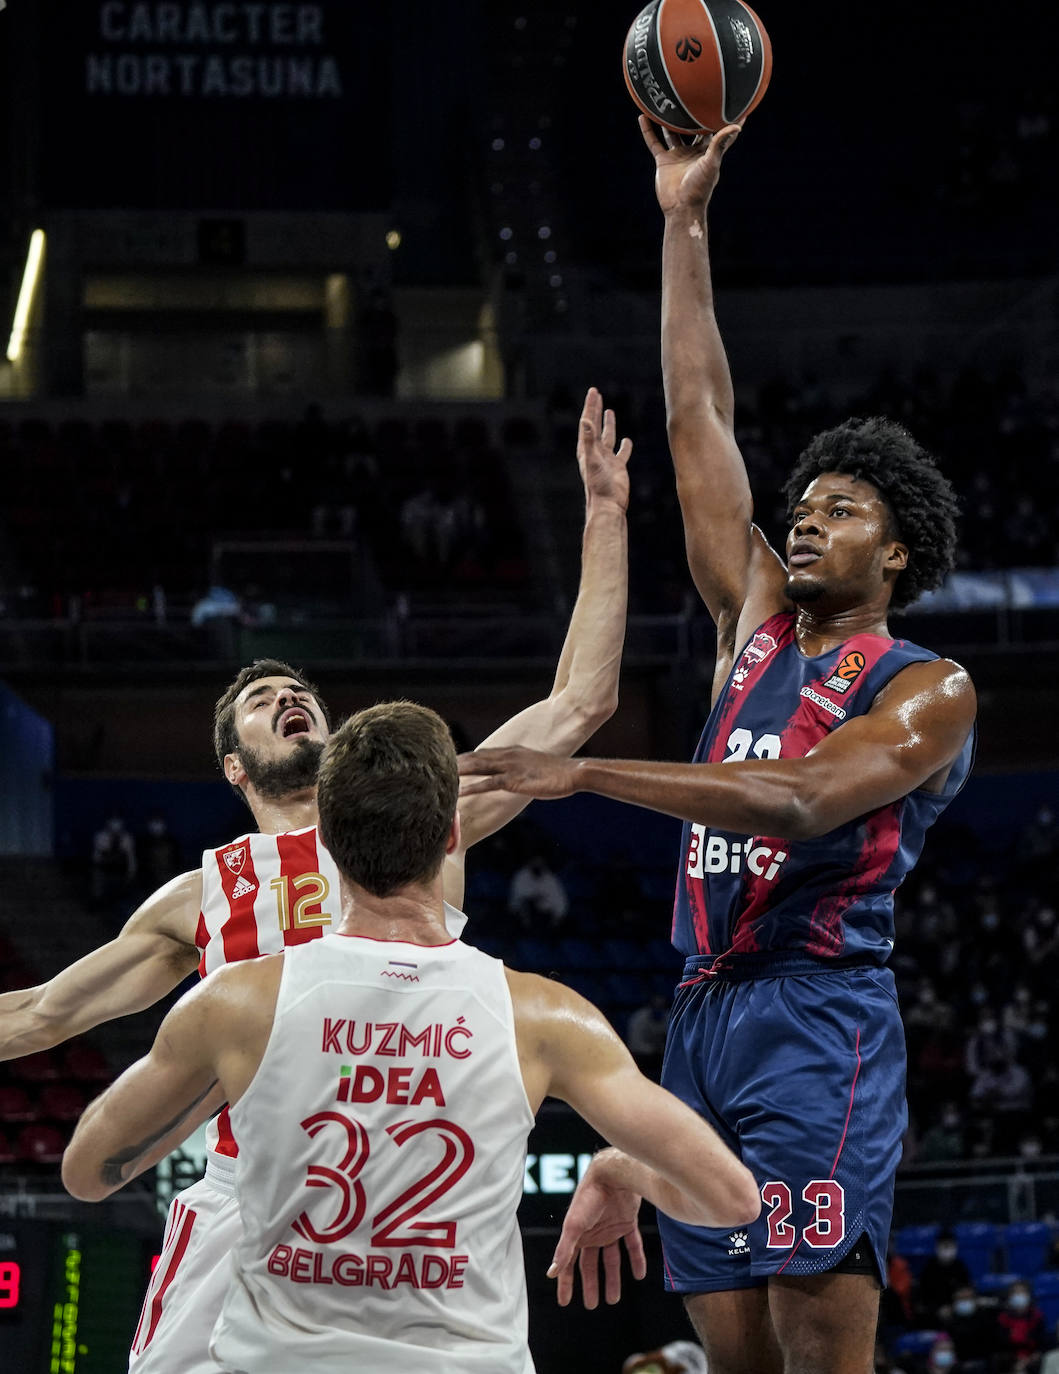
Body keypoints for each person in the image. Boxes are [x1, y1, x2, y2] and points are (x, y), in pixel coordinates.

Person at [456, 120, 977, 1374]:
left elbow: (797, 799)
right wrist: (682, 218)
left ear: (897, 550)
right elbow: (698, 415)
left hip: (819, 1014)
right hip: (701, 1012)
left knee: (815, 1347)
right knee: (735, 1357)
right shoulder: (755, 622)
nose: (807, 520)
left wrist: (584, 774)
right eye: (802, 506)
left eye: (842, 509)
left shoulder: (928, 686)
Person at [0, 388, 633, 1373]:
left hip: (402, 1195)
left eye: (298, 690)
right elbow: (43, 1013)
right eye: (261, 700)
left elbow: (578, 703)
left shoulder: (421, 820)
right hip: (248, 1198)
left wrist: (604, 517)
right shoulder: (201, 896)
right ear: (235, 767)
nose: (288, 695)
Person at [61, 702, 761, 1373]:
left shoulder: (237, 1003)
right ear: (451, 835)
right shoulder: (546, 1016)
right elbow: (732, 1200)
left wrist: (224, 1073)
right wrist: (617, 1170)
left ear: (328, 843)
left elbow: (88, 1173)